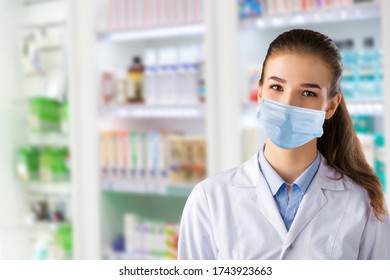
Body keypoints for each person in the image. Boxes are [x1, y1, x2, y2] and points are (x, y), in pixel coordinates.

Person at [178, 29, 390, 260]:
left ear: (330, 106)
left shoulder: (364, 204)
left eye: (308, 93)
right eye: (277, 88)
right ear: (259, 92)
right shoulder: (209, 199)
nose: (288, 104)